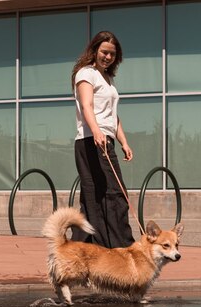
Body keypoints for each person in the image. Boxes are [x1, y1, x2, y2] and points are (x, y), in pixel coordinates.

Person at [71, 31, 135, 249]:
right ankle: (121, 246)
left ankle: (83, 249)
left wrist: (124, 142)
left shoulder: (108, 79)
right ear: (95, 50)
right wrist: (97, 131)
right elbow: (87, 106)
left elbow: (112, 115)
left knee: (97, 197)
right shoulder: (85, 74)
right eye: (104, 52)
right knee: (113, 194)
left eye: (113, 54)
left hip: (105, 140)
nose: (108, 57)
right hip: (91, 141)